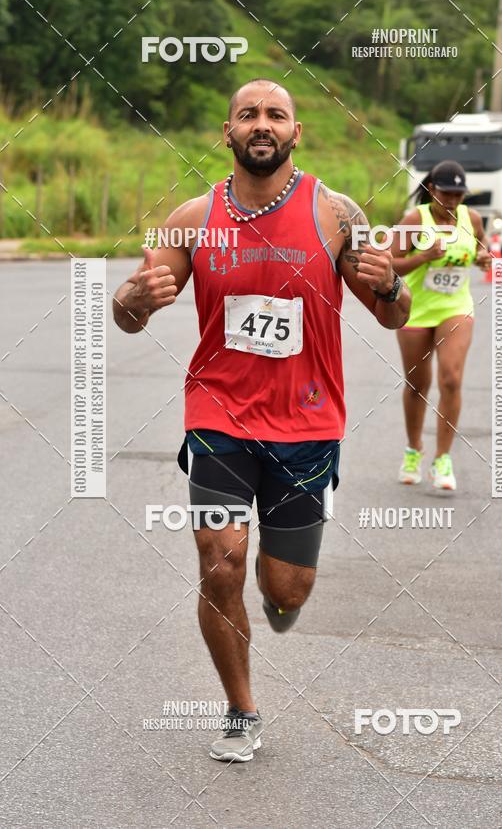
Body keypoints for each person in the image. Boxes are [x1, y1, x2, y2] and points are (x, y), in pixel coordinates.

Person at [112, 78, 411, 763]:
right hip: (217, 413)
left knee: (285, 588)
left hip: (307, 423)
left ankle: (280, 601)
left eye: (276, 114)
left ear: (295, 133)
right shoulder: (191, 218)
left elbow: (392, 314)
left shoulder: (335, 214)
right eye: (247, 113)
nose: (262, 124)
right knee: (221, 565)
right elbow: (129, 315)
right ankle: (242, 708)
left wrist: (392, 283)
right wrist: (132, 297)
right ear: (228, 132)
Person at [391, 160, 491, 491]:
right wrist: (422, 257)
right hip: (416, 309)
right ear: (432, 190)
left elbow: (481, 247)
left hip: (455, 307)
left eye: (459, 195)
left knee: (451, 378)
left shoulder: (471, 218)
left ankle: (443, 458)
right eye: (446, 193)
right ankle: (413, 449)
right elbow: (388, 264)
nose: (452, 201)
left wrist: (483, 258)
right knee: (418, 384)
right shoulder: (414, 220)